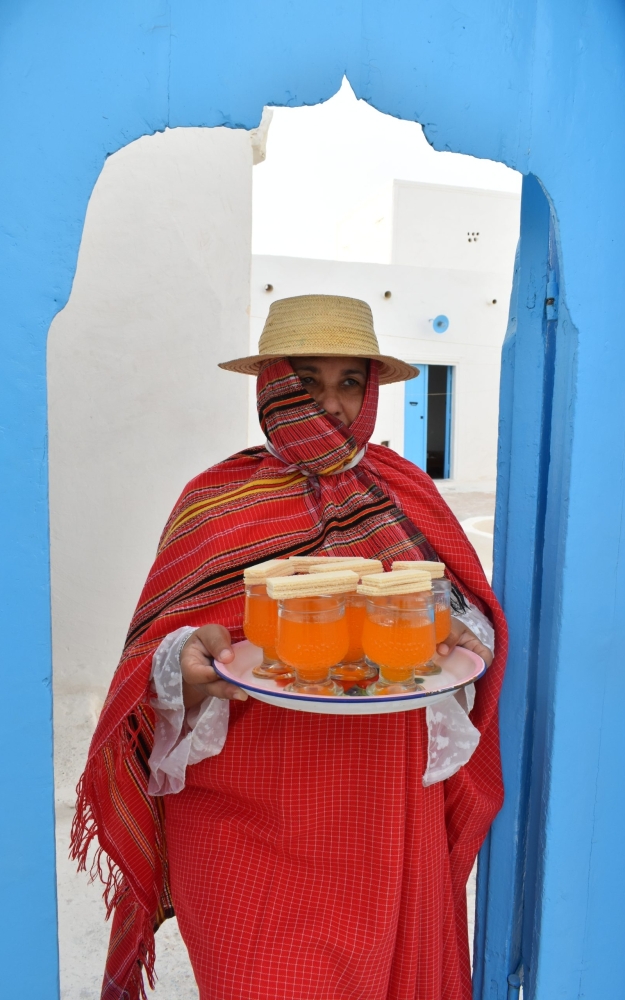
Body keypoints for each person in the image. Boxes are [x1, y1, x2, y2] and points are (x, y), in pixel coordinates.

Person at [73, 294, 507, 1000]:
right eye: (305, 382)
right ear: (269, 386)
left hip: (380, 815)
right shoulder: (214, 500)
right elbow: (152, 658)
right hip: (247, 816)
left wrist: (459, 633)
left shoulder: (405, 494)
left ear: (371, 393)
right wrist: (180, 661)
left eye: (348, 382)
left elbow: (468, 621)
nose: (329, 406)